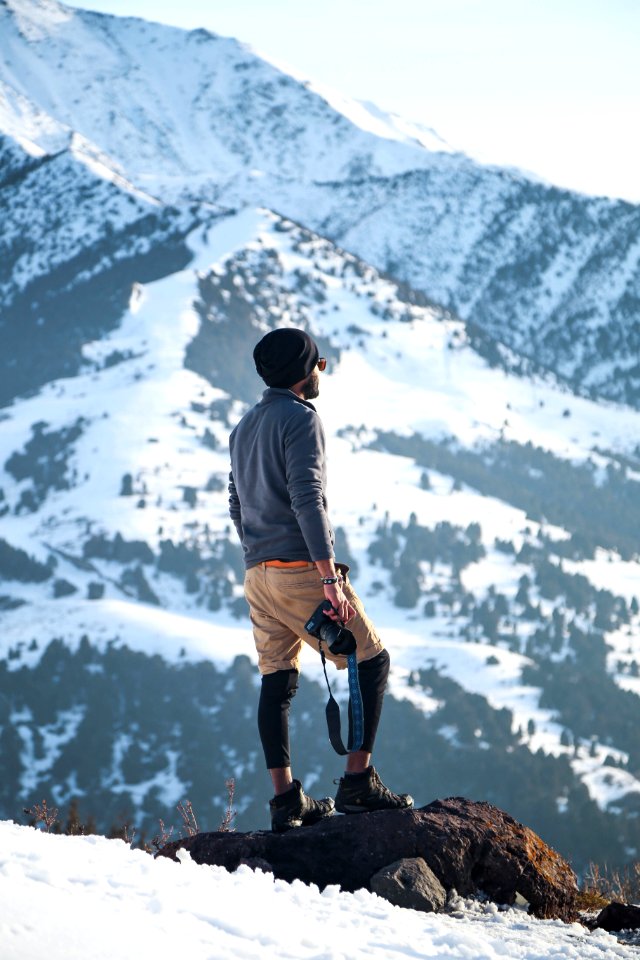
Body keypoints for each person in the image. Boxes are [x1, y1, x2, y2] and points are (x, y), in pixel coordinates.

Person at [228, 327, 413, 832]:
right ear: (304, 372)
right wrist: (328, 578)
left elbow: (236, 504)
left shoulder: (243, 427)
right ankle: (357, 783)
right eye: (319, 364)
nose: (321, 371)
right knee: (371, 661)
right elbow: (309, 498)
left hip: (257, 575)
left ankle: (286, 801)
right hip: (299, 572)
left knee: (277, 680)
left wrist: (258, 554)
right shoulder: (301, 419)